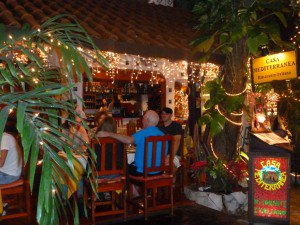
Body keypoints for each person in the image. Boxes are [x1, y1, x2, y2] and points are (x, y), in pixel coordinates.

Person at [98, 110, 166, 175]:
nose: (142, 121)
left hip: (142, 172)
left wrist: (109, 134)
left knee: (126, 168)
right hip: (159, 171)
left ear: (147, 119)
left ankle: (133, 186)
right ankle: (137, 187)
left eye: (143, 119)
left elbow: (128, 140)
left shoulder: (143, 133)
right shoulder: (163, 135)